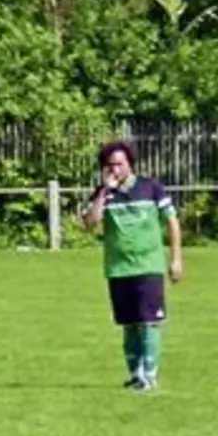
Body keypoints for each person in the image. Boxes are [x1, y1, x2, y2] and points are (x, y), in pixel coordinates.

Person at [81, 140, 184, 390]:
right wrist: (104, 193)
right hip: (118, 268)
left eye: (120, 164)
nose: (115, 169)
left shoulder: (150, 188)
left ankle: (150, 376)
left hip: (148, 266)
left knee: (148, 322)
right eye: (110, 165)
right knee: (128, 324)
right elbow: (89, 224)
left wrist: (176, 259)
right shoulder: (103, 193)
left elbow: (172, 223)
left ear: (130, 164)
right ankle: (135, 374)